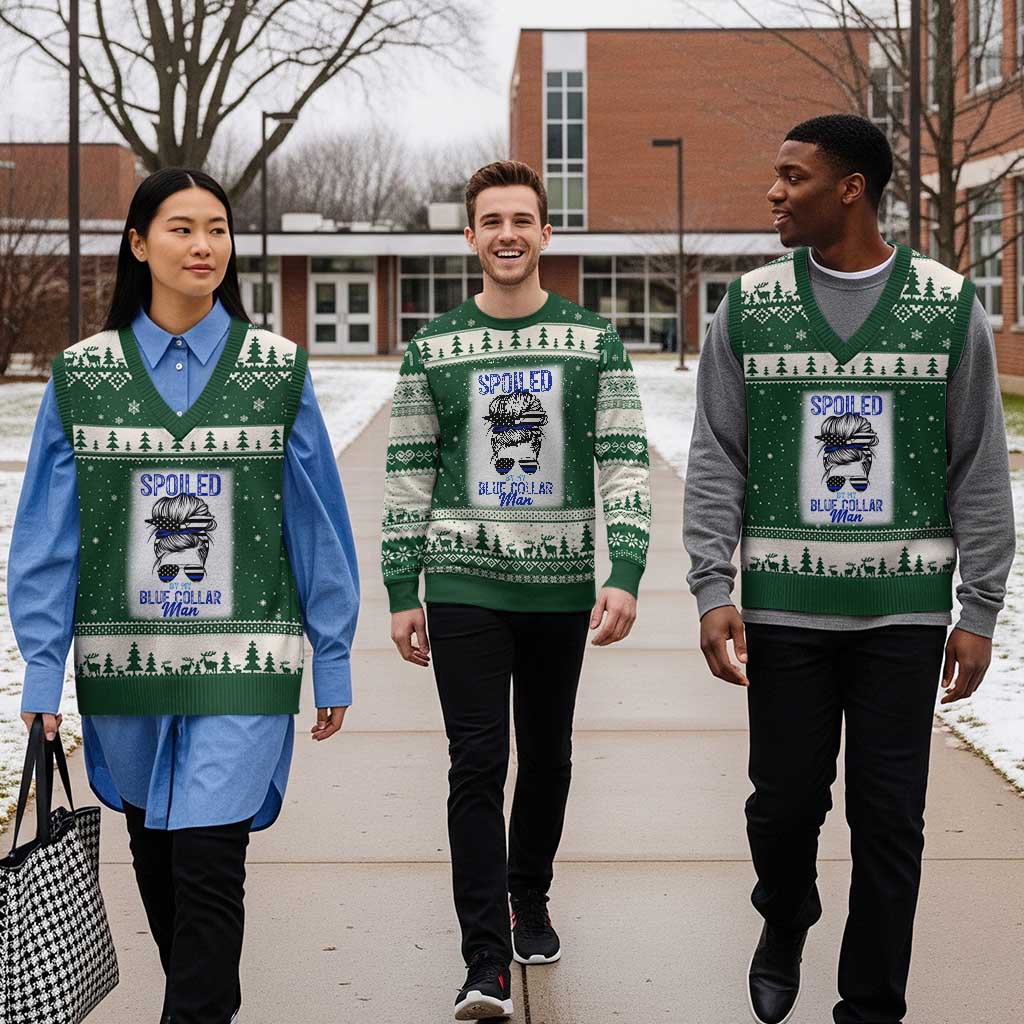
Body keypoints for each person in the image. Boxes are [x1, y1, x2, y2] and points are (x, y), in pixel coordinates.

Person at [684, 113, 1015, 1024]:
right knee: (782, 809)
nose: (774, 192)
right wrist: (713, 586)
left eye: (793, 176)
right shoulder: (750, 305)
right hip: (786, 612)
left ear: (851, 189)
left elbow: (978, 463)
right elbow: (718, 454)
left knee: (889, 823)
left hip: (904, 617)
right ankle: (784, 914)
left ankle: (871, 1005)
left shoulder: (946, 306)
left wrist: (980, 607)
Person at [11, 168, 359, 1024]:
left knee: (210, 863)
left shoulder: (276, 371)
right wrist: (42, 675)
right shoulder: (82, 376)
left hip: (244, 664)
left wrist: (334, 654)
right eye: (180, 229)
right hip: (123, 666)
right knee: (159, 861)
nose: (203, 246)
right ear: (138, 244)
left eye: (216, 229)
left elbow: (315, 522)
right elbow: (46, 538)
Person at [381, 160, 652, 1021]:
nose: (507, 234)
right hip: (463, 578)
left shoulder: (592, 340)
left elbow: (623, 459)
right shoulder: (433, 348)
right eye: (491, 220)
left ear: (546, 233)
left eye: (522, 220)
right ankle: (484, 961)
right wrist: (401, 586)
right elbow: (407, 474)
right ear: (469, 236)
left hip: (560, 587)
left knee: (549, 753)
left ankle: (527, 895)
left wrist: (627, 569)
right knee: (477, 761)